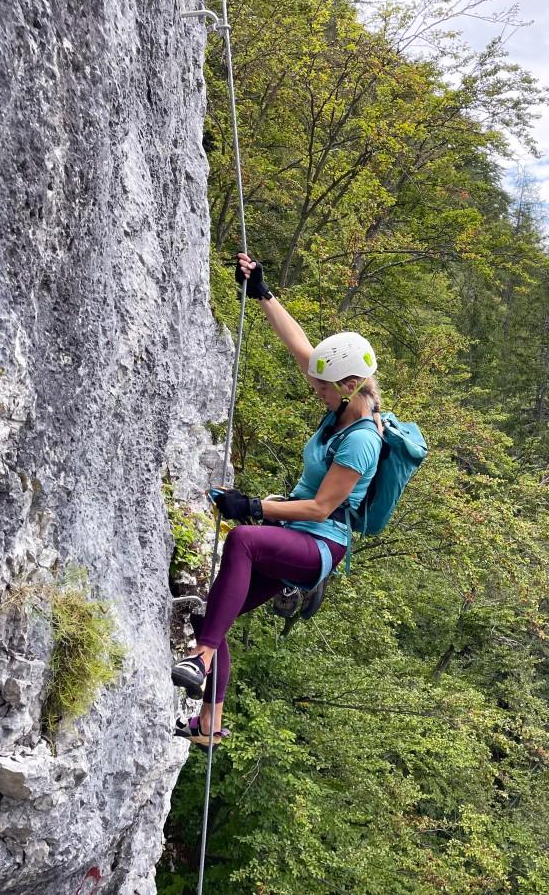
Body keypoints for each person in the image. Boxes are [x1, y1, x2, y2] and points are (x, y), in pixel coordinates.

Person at [170, 253, 384, 747]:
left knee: (243, 539)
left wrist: (254, 508)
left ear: (350, 386)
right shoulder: (344, 403)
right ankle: (209, 725)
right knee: (214, 616)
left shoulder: (360, 440)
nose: (316, 392)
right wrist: (262, 293)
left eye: (323, 388)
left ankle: (200, 661)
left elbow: (320, 510)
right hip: (294, 538)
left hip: (320, 547)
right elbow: (302, 349)